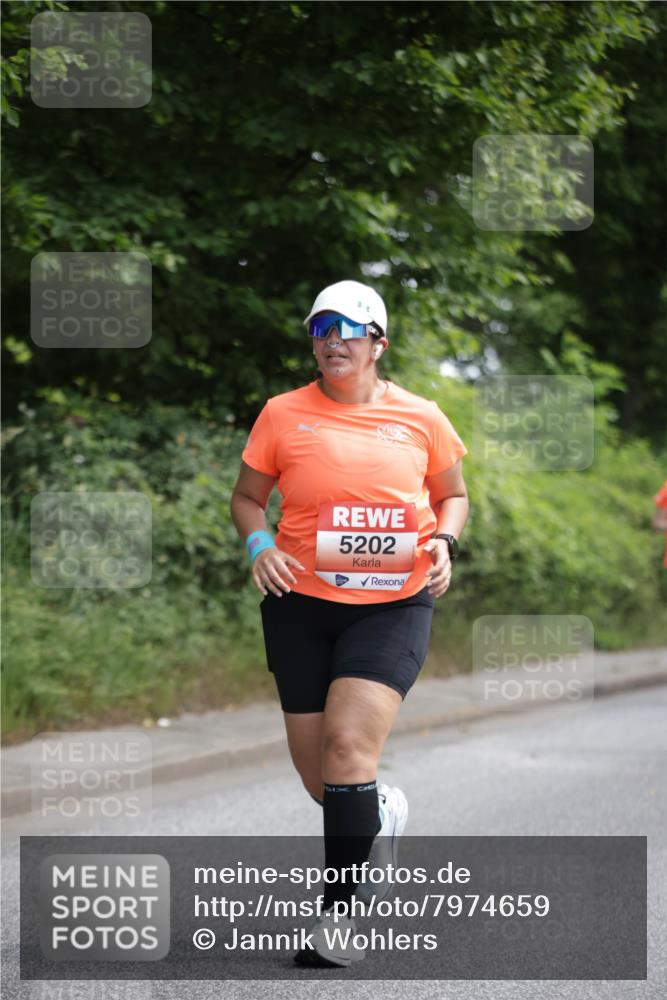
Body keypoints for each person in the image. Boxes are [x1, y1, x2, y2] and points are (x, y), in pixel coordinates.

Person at [230, 279, 469, 967]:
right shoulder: (281, 413)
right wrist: (260, 545)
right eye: (320, 328)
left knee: (344, 750)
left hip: (393, 602)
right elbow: (248, 499)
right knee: (323, 782)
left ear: (377, 343)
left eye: (348, 328)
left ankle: (338, 921)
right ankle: (381, 807)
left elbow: (451, 495)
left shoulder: (421, 417)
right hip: (299, 604)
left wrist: (443, 542)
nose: (332, 339)